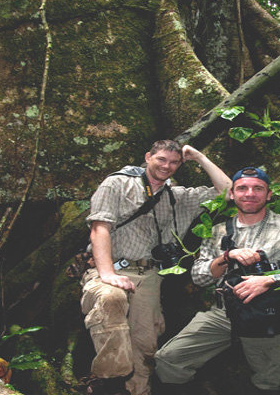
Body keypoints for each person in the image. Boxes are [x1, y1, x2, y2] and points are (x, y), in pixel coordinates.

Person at [154, 167, 280, 394]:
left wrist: (270, 280)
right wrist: (226, 257)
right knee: (169, 359)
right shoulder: (217, 231)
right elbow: (199, 277)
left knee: (270, 382)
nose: (250, 193)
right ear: (232, 194)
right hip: (223, 312)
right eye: (242, 188)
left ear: (269, 194)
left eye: (258, 188)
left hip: (269, 316)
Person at [80, 140, 231, 395]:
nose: (166, 166)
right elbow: (99, 228)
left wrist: (199, 157)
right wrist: (108, 273)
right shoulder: (118, 183)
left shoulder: (178, 197)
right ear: (148, 156)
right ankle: (113, 377)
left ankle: (138, 390)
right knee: (111, 297)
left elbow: (228, 192)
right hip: (111, 266)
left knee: (145, 344)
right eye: (161, 159)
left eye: (174, 162)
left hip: (149, 274)